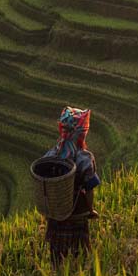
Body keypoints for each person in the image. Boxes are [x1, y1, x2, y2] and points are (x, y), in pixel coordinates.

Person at [43, 106, 100, 266]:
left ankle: (58, 275)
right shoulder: (83, 158)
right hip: (76, 210)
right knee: (80, 253)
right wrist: (90, 210)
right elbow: (89, 188)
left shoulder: (52, 154)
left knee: (57, 254)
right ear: (82, 133)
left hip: (56, 212)